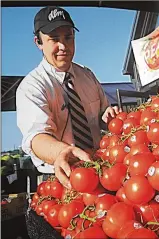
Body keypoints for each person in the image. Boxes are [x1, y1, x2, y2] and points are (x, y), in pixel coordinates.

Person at [16, 6, 120, 189]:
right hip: (62, 176)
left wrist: (108, 116)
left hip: (101, 168)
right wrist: (63, 152)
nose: (63, 46)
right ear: (38, 42)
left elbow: (103, 115)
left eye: (68, 37)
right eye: (54, 39)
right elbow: (36, 137)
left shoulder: (87, 76)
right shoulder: (31, 86)